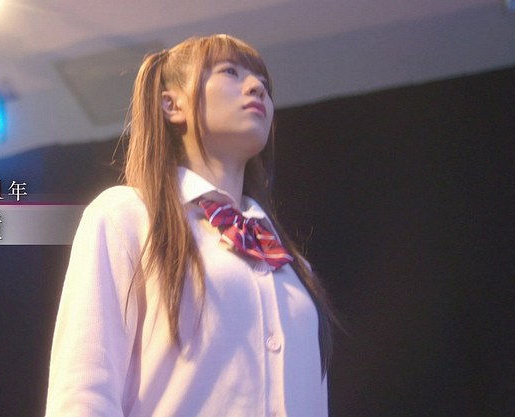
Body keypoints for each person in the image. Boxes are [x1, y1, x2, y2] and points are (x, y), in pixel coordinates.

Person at [45, 34, 337, 417]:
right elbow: (84, 393)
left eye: (264, 85)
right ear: (173, 105)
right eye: (230, 72)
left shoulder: (291, 264)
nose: (257, 88)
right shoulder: (127, 216)